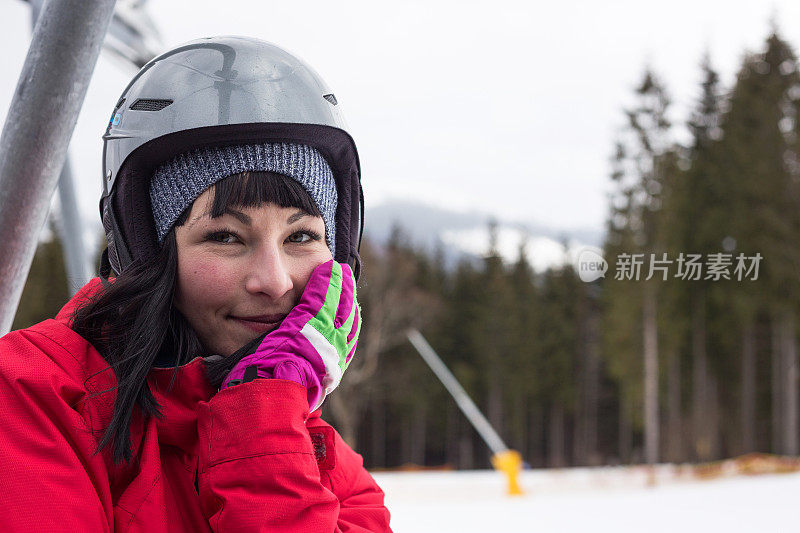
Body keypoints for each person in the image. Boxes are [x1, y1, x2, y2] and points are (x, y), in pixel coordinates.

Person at [0, 36, 391, 532]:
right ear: (149, 253)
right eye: (225, 236)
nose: (272, 280)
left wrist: (263, 418)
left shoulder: (329, 465)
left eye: (301, 236)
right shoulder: (31, 399)